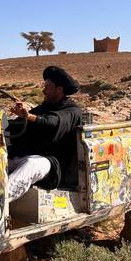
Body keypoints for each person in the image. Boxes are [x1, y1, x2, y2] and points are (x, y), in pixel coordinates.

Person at [7, 66, 81, 203]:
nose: (43, 91)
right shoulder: (43, 108)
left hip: (51, 163)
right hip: (25, 154)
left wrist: (29, 116)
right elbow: (17, 126)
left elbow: (52, 123)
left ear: (59, 89)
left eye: (48, 86)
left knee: (31, 164)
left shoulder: (72, 110)